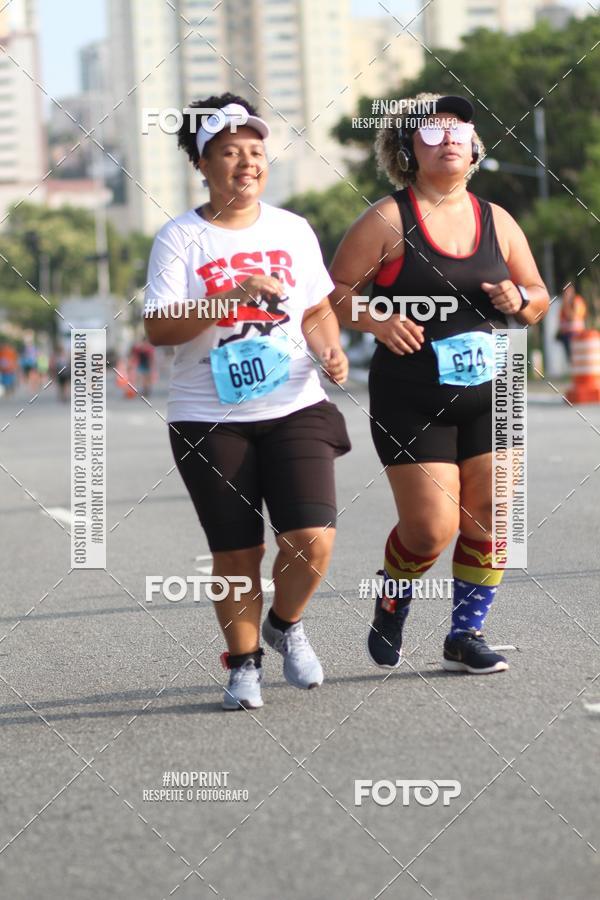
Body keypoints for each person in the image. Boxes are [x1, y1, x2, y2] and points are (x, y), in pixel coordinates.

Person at [144, 93, 350, 710]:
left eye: (255, 151)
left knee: (312, 537)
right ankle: (243, 663)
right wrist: (229, 295)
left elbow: (315, 306)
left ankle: (285, 624)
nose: (246, 162)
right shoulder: (180, 237)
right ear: (201, 164)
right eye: (229, 152)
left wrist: (331, 348)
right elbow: (158, 328)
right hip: (209, 416)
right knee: (238, 551)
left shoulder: (292, 229)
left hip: (294, 401)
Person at [330, 93, 549, 675]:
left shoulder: (496, 220)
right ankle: (394, 594)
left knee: (493, 516)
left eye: (459, 129)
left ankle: (466, 634)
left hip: (492, 396)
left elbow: (538, 297)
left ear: (475, 147)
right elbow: (335, 296)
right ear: (408, 149)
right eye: (431, 130)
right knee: (430, 530)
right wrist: (377, 318)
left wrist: (518, 299)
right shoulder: (387, 219)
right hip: (412, 399)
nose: (448, 137)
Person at [557, 283, 586, 362]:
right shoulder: (564, 303)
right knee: (570, 357)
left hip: (576, 333)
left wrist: (566, 304)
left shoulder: (577, 300)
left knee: (577, 356)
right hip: (566, 334)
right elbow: (561, 318)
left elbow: (572, 317)